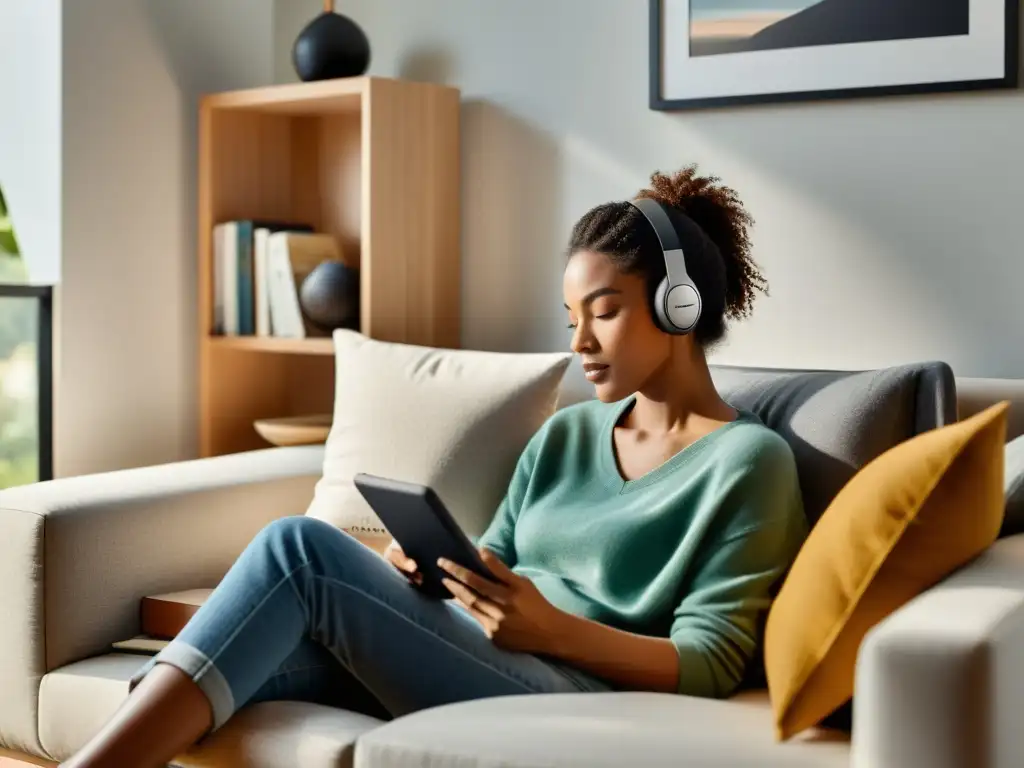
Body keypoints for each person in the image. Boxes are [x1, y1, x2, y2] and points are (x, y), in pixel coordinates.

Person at [61, 167, 808, 768]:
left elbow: (711, 663)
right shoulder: (568, 435)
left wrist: (550, 630)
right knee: (249, 658)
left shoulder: (749, 462)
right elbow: (499, 557)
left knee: (297, 549)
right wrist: (432, 572)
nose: (581, 340)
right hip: (474, 650)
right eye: (571, 317)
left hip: (573, 688)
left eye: (604, 311)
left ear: (680, 307)